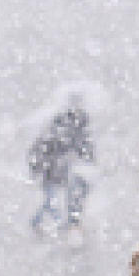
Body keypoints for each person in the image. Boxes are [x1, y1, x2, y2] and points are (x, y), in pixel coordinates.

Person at [29, 98, 95, 233]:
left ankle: (58, 224)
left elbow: (40, 151)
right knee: (55, 200)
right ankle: (62, 224)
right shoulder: (66, 133)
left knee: (53, 200)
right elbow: (83, 151)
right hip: (55, 173)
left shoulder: (59, 131)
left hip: (56, 173)